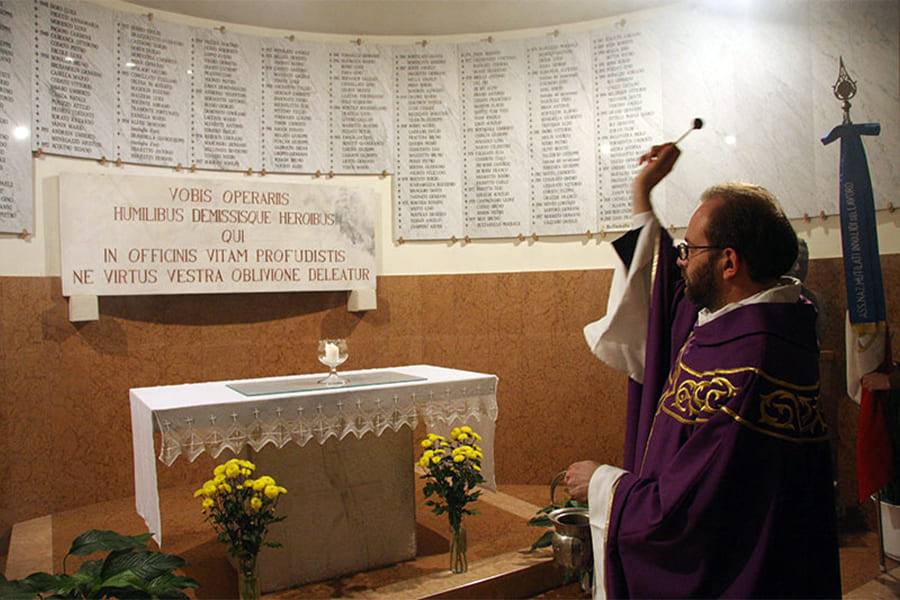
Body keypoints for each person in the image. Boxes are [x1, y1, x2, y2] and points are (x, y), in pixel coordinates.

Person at [566, 143, 841, 598]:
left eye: (690, 249)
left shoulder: (747, 366)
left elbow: (681, 516)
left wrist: (600, 482)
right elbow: (666, 294)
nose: (680, 261)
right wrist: (642, 194)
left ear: (730, 263)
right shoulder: (760, 322)